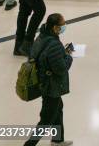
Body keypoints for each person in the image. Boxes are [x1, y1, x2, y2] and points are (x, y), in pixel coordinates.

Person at [23, 13, 73, 146]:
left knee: (58, 109)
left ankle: (58, 140)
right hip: (52, 87)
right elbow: (61, 69)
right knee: (45, 120)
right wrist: (68, 56)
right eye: (62, 25)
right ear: (55, 28)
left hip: (43, 82)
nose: (64, 27)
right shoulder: (54, 45)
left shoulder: (41, 37)